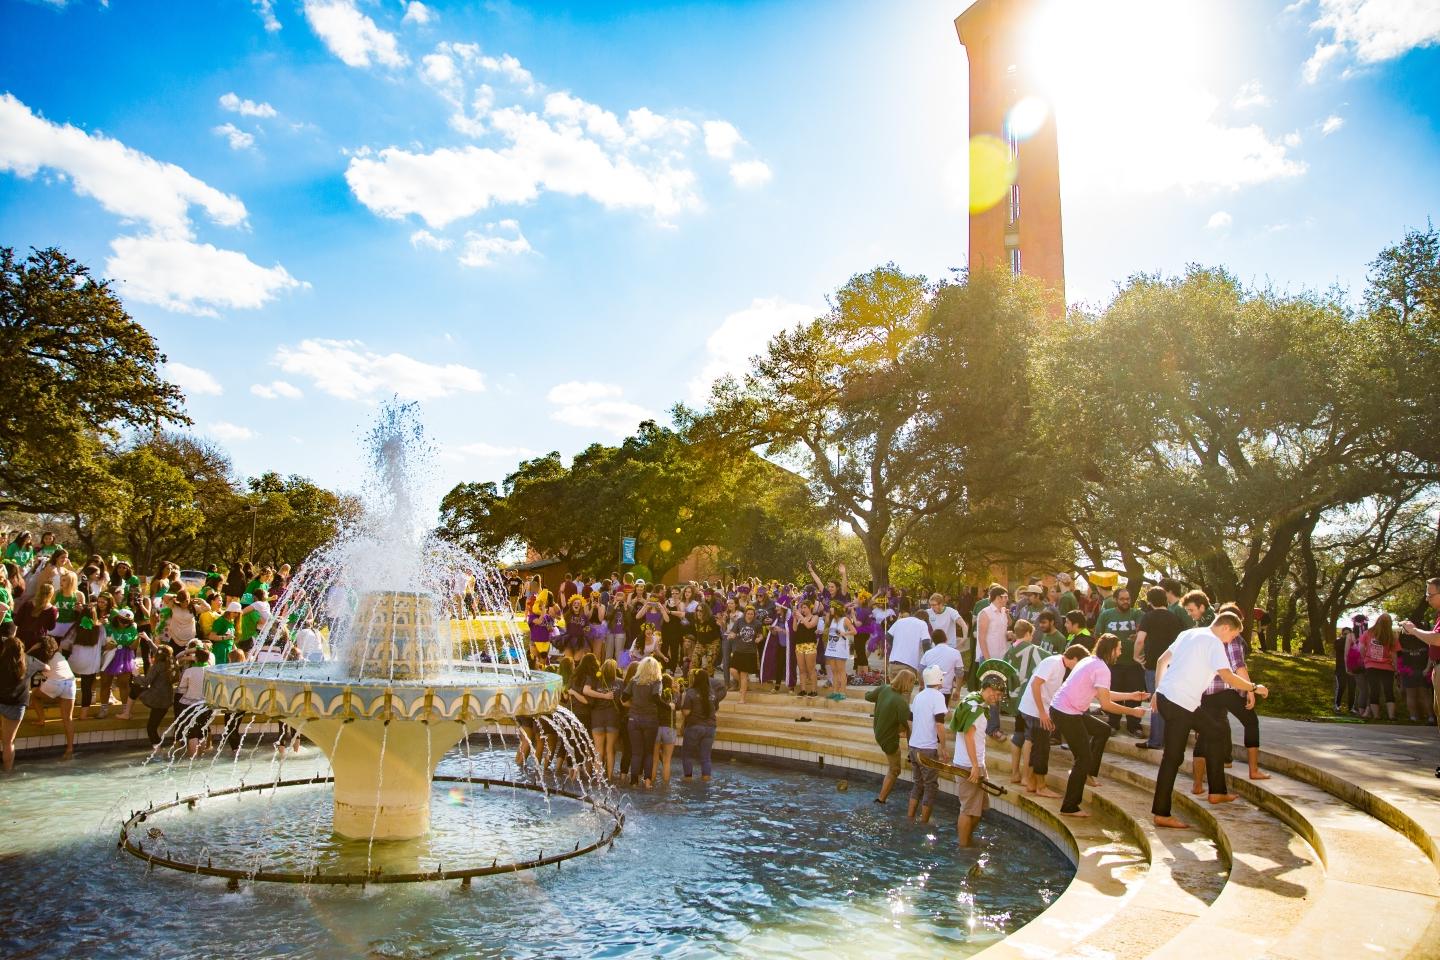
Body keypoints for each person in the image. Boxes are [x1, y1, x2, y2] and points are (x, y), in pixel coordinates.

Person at [1048, 633, 1148, 817]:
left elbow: (1101, 693)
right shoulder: (1102, 669)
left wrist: (1131, 696)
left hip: (1064, 709)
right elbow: (1106, 705)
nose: (1120, 652)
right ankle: (1069, 806)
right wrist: (1133, 711)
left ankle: (1088, 773)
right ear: (1110, 650)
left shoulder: (1090, 661)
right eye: (1118, 648)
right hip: (1066, 713)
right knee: (1083, 758)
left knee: (1102, 730)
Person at [1190, 603, 1269, 790]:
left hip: (1205, 693)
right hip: (1225, 690)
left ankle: (1197, 784)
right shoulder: (1233, 638)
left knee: (1204, 736)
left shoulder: (1204, 636)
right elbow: (1238, 666)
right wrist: (1250, 690)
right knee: (1251, 722)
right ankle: (1254, 770)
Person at [945, 671, 1009, 847]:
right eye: (994, 694)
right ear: (986, 689)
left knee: (978, 809)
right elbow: (969, 736)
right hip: (969, 765)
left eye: (999, 696)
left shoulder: (972, 699)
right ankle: (963, 847)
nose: (996, 698)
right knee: (968, 809)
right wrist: (974, 766)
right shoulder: (977, 710)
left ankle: (967, 840)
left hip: (973, 763)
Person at [1014, 644, 1087, 797]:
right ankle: (1041, 786)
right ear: (1074, 658)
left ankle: (1033, 784)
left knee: (1038, 746)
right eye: (1079, 663)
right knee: (1042, 748)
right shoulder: (1053, 662)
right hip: (1034, 711)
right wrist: (1042, 713)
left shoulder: (1060, 665)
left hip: (1039, 711)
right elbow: (1035, 684)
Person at [1135, 586, 1184, 751]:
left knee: (1156, 702)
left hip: (1153, 666)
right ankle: (1170, 739)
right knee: (1170, 702)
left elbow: (1140, 640)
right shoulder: (1175, 618)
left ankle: (1155, 740)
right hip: (1173, 665)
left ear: (1150, 601)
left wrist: (1136, 655)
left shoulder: (1148, 617)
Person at [1094, 588, 1144, 736]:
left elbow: (1142, 631)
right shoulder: (1106, 615)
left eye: (1128, 599)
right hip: (1112, 665)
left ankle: (1134, 725)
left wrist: (1138, 635)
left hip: (1133, 664)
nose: (1125, 602)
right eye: (1122, 599)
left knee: (1133, 695)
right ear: (1115, 600)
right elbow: (1098, 636)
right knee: (1112, 694)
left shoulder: (1137, 614)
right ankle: (1113, 723)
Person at [906, 665, 951, 825]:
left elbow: (909, 720)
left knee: (918, 783)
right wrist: (943, 747)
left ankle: (910, 817)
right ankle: (924, 821)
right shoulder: (938, 696)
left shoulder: (919, 696)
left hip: (914, 746)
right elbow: (939, 724)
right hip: (927, 749)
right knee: (930, 786)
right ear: (939, 679)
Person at [865, 669, 914, 804]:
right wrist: (912, 750)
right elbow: (910, 726)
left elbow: (867, 696)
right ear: (907, 683)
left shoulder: (884, 688)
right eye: (913, 683)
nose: (913, 686)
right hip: (889, 739)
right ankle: (881, 800)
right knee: (895, 770)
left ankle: (881, 798)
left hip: (878, 731)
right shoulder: (901, 702)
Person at [26, 635, 76, 759]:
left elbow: (24, 658)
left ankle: (42, 719)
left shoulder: (40, 657)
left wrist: (32, 649)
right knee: (68, 718)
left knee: (35, 695)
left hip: (56, 684)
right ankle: (70, 749)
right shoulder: (59, 654)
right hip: (70, 683)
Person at [625, 655, 663, 788]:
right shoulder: (656, 681)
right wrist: (667, 706)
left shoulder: (634, 680)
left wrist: (635, 704)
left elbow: (624, 697)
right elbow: (656, 697)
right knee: (648, 752)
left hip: (633, 718)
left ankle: (633, 781)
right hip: (650, 719)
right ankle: (647, 781)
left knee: (636, 752)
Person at [1360, 614, 1398, 721]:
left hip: (1371, 665)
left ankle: (1376, 716)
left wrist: (1365, 659)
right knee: (1389, 691)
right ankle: (1391, 716)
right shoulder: (1392, 636)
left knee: (1374, 690)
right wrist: (1396, 668)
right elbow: (1394, 654)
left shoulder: (1368, 633)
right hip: (1387, 667)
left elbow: (1361, 647)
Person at [177, 642, 212, 758]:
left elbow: (181, 690)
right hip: (206, 704)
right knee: (202, 731)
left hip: (190, 704)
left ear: (195, 658)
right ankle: (201, 757)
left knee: (192, 732)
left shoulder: (189, 671)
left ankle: (192, 759)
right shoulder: (212, 671)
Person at [0, 628, 28, 772]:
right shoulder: (29, 662)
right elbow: (47, 667)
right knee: (8, 742)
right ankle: (8, 771)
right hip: (16, 706)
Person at [137, 644, 176, 746]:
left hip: (156, 699)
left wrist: (136, 675)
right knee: (153, 725)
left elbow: (146, 682)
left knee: (151, 728)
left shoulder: (157, 666)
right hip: (167, 700)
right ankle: (158, 750)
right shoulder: (172, 664)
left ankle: (158, 752)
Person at [726, 606, 760, 703]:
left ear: (754, 615)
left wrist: (759, 638)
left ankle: (742, 698)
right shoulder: (739, 621)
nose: (750, 616)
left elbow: (760, 635)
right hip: (738, 650)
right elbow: (733, 632)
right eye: (748, 614)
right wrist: (731, 635)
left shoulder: (757, 623)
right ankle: (744, 684)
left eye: (752, 614)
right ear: (745, 614)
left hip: (750, 652)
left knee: (744, 674)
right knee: (732, 670)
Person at [886, 605, 929, 681]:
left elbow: (888, 636)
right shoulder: (922, 624)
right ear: (924, 619)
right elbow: (926, 643)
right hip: (908, 665)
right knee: (905, 692)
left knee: (894, 692)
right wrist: (929, 660)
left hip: (892, 663)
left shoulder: (900, 621)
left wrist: (895, 646)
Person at [921, 628, 964, 702]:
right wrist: (957, 691)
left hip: (928, 690)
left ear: (933, 641)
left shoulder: (927, 653)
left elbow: (920, 670)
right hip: (945, 691)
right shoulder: (955, 653)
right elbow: (959, 674)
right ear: (946, 638)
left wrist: (921, 685)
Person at [653, 673, 680, 786]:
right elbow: (678, 706)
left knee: (654, 761)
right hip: (669, 727)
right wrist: (677, 691)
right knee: (667, 761)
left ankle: (651, 783)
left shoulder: (657, 695)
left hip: (657, 726)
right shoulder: (673, 695)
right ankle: (665, 786)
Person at [975, 585, 1010, 667]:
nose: (1007, 599)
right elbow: (981, 639)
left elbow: (1008, 625)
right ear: (998, 598)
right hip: (989, 658)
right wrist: (988, 661)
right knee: (988, 680)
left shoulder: (1003, 611)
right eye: (1005, 597)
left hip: (1002, 657)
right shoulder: (985, 613)